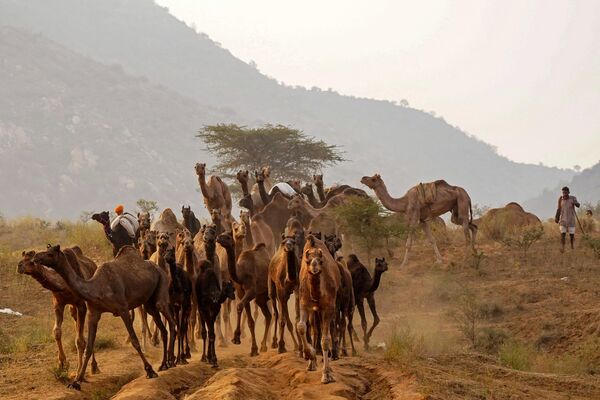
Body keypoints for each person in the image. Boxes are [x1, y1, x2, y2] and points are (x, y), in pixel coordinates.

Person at [554, 187, 580, 252]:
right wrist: (556, 217)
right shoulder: (560, 199)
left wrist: (575, 203)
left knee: (571, 235)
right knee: (563, 234)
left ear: (568, 192)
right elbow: (558, 209)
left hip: (571, 220)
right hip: (562, 220)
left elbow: (578, 205)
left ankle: (572, 247)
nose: (564, 194)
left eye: (565, 192)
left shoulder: (573, 198)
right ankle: (563, 248)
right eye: (563, 192)